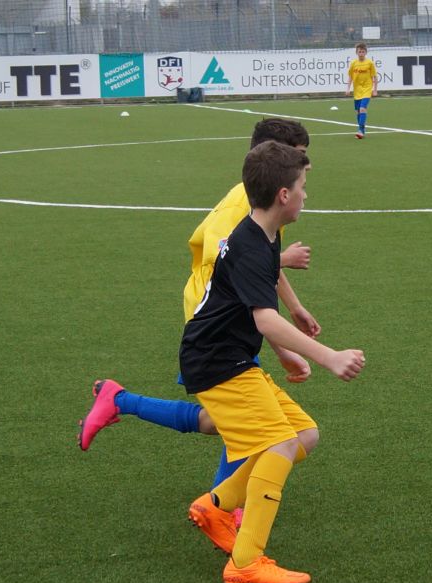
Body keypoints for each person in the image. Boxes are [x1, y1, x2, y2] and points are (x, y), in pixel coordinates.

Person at [78, 119, 320, 498]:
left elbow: (260, 268)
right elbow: (234, 262)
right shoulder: (244, 204)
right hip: (216, 318)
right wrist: (284, 348)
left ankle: (119, 400)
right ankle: (221, 506)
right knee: (250, 421)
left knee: (224, 420)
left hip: (232, 315)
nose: (306, 165)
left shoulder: (269, 204)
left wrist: (295, 306)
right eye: (299, 156)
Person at [182, 140, 366, 583]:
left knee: (304, 434)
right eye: (302, 186)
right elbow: (263, 317)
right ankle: (245, 563)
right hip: (216, 362)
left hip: (229, 356)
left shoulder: (264, 234)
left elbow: (252, 306)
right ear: (284, 195)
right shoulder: (249, 245)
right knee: (280, 443)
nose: (306, 194)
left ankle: (215, 505)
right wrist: (328, 357)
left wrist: (286, 349)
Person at [345, 42, 377, 139]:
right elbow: (350, 77)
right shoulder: (353, 63)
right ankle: (362, 130)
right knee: (358, 111)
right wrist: (348, 88)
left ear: (366, 53)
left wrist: (375, 90)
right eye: (360, 52)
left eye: (363, 52)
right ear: (357, 53)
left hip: (367, 89)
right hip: (357, 90)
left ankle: (360, 131)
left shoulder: (370, 63)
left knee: (363, 108)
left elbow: (375, 77)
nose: (361, 54)